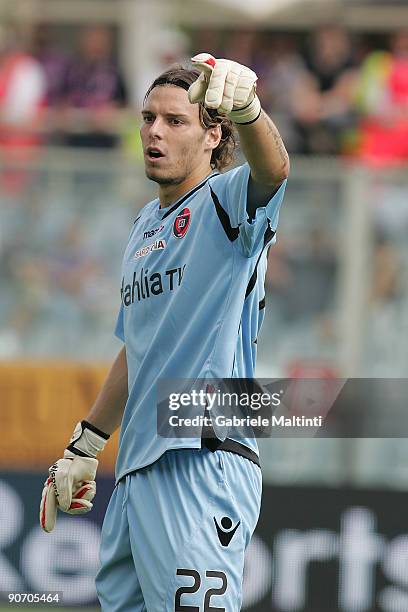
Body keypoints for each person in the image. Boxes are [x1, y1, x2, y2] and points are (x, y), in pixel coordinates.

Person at [39, 52, 289, 610]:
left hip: (199, 456)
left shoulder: (224, 202)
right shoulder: (143, 226)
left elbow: (274, 171)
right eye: (148, 118)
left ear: (211, 136)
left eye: (175, 121)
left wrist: (249, 110)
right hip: (137, 470)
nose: (155, 131)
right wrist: (85, 443)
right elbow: (137, 348)